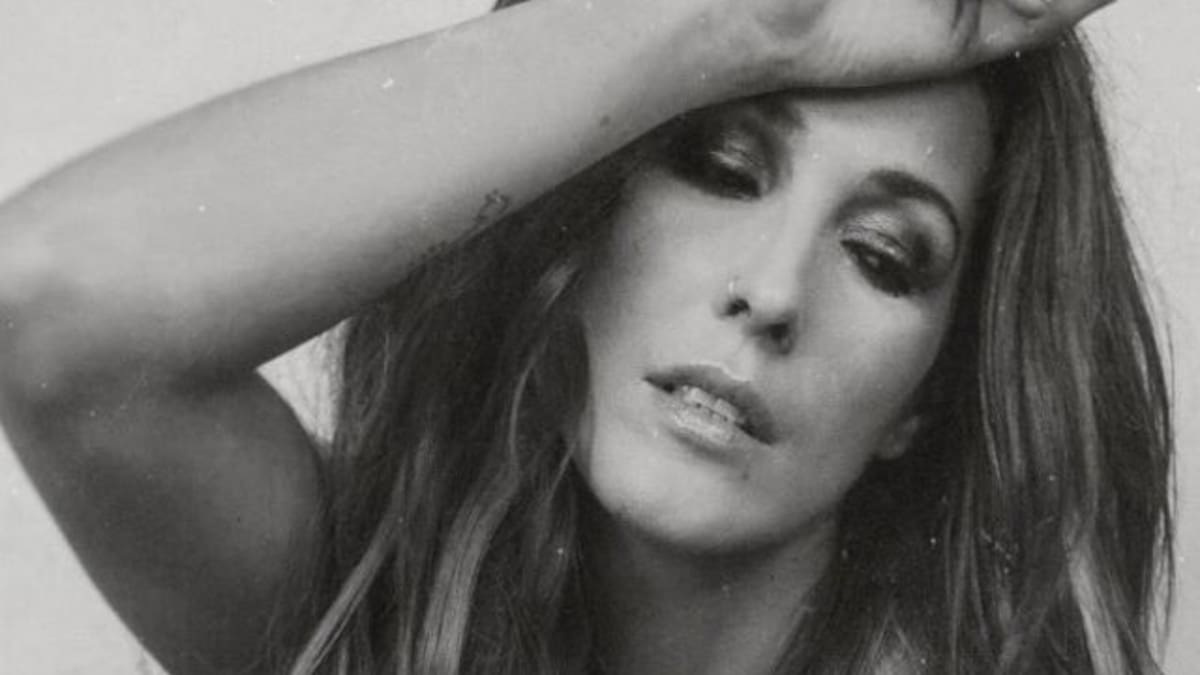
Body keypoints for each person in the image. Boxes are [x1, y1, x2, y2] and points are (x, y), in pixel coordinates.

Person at [0, 0, 1173, 673]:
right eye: (721, 169)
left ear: (929, 397)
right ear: (571, 219)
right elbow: (51, 302)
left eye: (883, 256)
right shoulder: (374, 619)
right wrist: (748, 22)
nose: (772, 291)